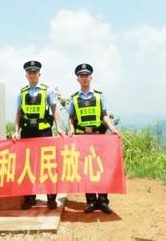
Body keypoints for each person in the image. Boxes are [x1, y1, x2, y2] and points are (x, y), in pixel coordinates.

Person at [67, 63, 120, 214]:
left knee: (101, 169)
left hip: (99, 137)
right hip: (82, 137)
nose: (84, 78)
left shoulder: (99, 96)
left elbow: (104, 115)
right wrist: (71, 128)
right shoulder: (74, 99)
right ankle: (90, 201)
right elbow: (71, 117)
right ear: (78, 79)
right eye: (81, 76)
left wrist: (113, 129)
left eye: (86, 76)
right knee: (86, 170)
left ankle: (103, 201)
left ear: (91, 78)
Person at [13, 60, 65, 210]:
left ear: (39, 74)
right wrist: (16, 131)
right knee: (28, 166)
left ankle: (51, 198)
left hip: (44, 132)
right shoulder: (22, 93)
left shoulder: (47, 91)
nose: (32, 74)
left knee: (47, 165)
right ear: (26, 75)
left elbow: (55, 110)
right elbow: (18, 113)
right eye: (29, 72)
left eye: (34, 72)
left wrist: (59, 128)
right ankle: (29, 198)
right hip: (27, 132)